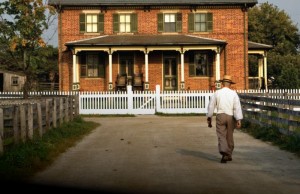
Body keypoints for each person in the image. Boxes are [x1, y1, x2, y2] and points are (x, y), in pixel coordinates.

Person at [206, 75, 243, 163]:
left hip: (220, 115)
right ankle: (229, 154)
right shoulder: (233, 93)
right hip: (230, 116)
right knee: (229, 135)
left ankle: (224, 153)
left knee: (221, 135)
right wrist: (238, 119)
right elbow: (237, 107)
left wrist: (209, 117)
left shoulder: (217, 93)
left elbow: (211, 106)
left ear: (222, 83)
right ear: (230, 84)